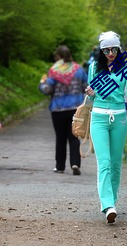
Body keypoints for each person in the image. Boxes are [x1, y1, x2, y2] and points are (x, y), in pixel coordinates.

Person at [85, 31, 127, 223]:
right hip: (98, 117)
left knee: (116, 164)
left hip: (120, 118)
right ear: (101, 50)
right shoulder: (94, 67)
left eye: (113, 49)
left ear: (119, 48)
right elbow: (91, 96)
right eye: (106, 50)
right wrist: (90, 92)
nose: (110, 53)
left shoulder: (126, 67)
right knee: (104, 163)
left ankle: (112, 201)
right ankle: (107, 205)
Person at [39, 45, 88, 175]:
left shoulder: (54, 71)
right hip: (75, 109)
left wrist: (42, 83)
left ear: (58, 57)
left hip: (58, 109)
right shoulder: (79, 70)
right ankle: (75, 163)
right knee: (74, 137)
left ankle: (60, 166)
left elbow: (47, 90)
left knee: (60, 138)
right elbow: (87, 87)